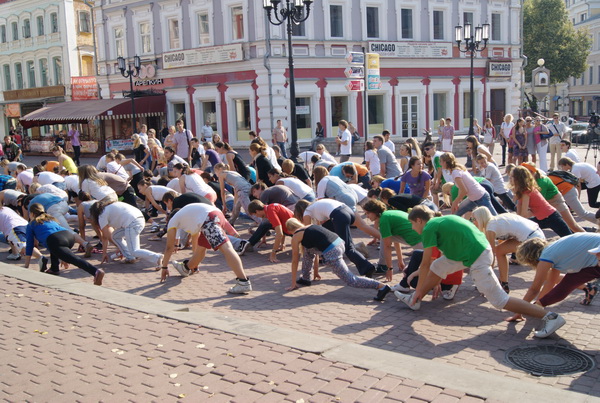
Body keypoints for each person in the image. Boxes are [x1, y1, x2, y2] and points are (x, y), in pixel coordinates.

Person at [396, 205, 567, 339]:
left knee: (500, 300)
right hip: (474, 252)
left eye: (412, 224)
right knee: (438, 266)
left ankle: (550, 317)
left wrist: (418, 287)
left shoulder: (428, 228)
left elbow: (425, 263)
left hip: (477, 257)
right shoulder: (442, 220)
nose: (412, 228)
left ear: (419, 220)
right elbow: (432, 264)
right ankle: (415, 301)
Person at [285, 218, 391, 301]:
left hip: (332, 251)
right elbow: (314, 253)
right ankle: (306, 278)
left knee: (351, 280)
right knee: (308, 251)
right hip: (339, 242)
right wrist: (316, 273)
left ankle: (381, 286)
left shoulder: (296, 236)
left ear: (289, 230)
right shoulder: (309, 227)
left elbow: (295, 261)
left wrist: (293, 283)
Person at [160, 204, 252, 294]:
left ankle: (243, 281)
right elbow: (196, 244)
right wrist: (195, 265)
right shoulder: (187, 216)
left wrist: (164, 267)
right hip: (216, 215)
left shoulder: (173, 220)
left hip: (208, 220)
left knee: (227, 249)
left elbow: (169, 247)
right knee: (201, 249)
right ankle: (186, 267)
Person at [516, 233, 600, 313]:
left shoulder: (546, 257)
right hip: (595, 257)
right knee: (568, 283)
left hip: (597, 254)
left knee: (565, 286)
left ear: (530, 258)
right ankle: (538, 306)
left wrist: (519, 311)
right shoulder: (554, 251)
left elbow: (534, 289)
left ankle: (537, 306)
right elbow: (551, 281)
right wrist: (539, 303)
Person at [294, 199, 377, 277]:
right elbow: (320, 228)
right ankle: (353, 249)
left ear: (300, 211)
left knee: (348, 248)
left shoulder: (307, 212)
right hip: (347, 210)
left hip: (339, 215)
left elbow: (307, 231)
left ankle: (368, 268)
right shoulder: (315, 205)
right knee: (328, 233)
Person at [471, 207, 545, 294]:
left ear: (480, 219)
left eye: (474, 219)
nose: (473, 222)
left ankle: (500, 284)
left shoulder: (490, 227)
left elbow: (490, 255)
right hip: (535, 234)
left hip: (532, 239)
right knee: (500, 251)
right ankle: (504, 284)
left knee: (542, 269)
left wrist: (487, 279)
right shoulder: (496, 221)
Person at [24, 203, 101, 283]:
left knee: (75, 259)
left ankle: (95, 272)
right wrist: (63, 256)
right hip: (69, 236)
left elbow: (29, 245)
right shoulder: (50, 219)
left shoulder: (31, 224)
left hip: (56, 240)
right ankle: (54, 268)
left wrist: (26, 266)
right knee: (53, 247)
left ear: (32, 213)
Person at [91, 200, 163, 267]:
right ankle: (130, 257)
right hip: (139, 219)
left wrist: (104, 253)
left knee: (134, 251)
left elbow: (105, 237)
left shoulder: (102, 215)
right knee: (115, 236)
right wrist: (121, 247)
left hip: (132, 224)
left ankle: (157, 257)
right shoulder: (111, 206)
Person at [362, 199, 423, 277]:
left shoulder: (384, 220)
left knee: (419, 270)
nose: (367, 216)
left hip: (418, 241)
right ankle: (382, 265)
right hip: (421, 237)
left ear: (375, 211)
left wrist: (390, 268)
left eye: (368, 213)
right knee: (384, 236)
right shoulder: (388, 214)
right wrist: (400, 260)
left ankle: (383, 266)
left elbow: (387, 246)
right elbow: (395, 239)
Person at [510, 166, 572, 237]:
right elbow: (520, 213)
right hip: (542, 218)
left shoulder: (527, 191)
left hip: (551, 217)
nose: (510, 178)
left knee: (569, 237)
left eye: (512, 176)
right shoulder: (521, 191)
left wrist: (516, 220)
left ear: (518, 178)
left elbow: (524, 215)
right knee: (522, 231)